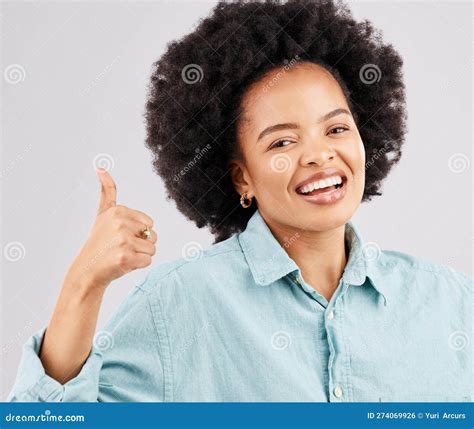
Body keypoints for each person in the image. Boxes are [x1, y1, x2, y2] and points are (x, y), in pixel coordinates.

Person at [8, 0, 471, 402]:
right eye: (281, 143)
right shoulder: (177, 306)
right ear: (241, 177)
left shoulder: (448, 303)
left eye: (336, 129)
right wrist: (82, 285)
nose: (319, 155)